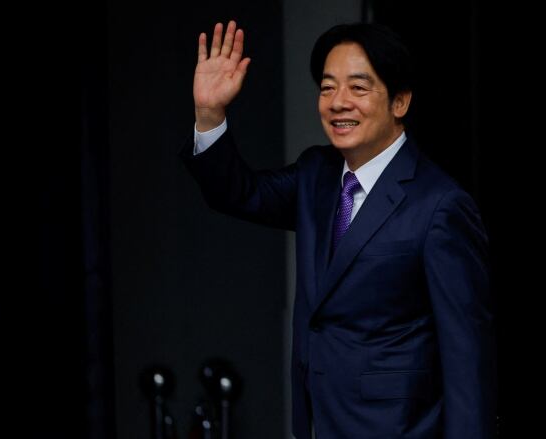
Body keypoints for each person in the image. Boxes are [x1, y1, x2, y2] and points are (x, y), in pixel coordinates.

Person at [180, 21, 496, 438]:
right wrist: (209, 114)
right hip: (319, 423)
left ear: (400, 101)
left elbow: (466, 357)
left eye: (358, 88)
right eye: (328, 88)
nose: (338, 102)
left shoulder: (439, 205)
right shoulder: (317, 174)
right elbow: (239, 194)